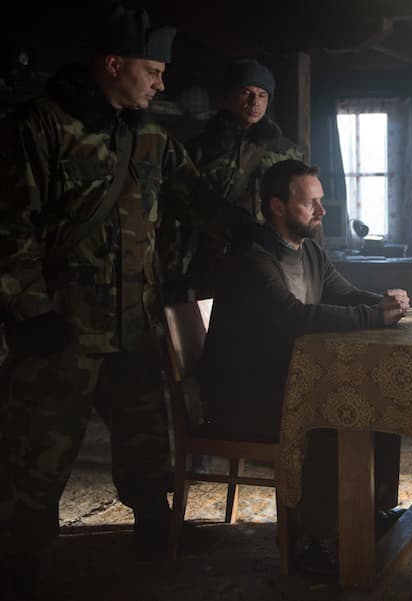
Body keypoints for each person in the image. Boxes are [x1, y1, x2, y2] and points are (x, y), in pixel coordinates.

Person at [0, 5, 215, 591]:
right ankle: (18, 559)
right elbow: (10, 228)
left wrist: (254, 228)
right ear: (115, 64)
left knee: (146, 440)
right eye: (154, 70)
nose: (162, 83)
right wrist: (30, 310)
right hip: (62, 327)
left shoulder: (149, 136)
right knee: (37, 451)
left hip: (134, 324)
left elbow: (197, 197)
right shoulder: (41, 126)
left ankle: (153, 530)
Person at [200, 158, 409, 573]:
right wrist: (374, 316)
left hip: (286, 381)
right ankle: (310, 541)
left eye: (321, 201)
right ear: (277, 206)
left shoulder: (309, 250)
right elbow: (294, 316)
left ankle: (370, 511)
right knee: (330, 414)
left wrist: (385, 302)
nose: (322, 211)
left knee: (380, 396)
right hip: (243, 396)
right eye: (310, 202)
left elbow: (344, 294)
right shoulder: (251, 258)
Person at [174, 59, 303, 299]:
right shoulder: (200, 148)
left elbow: (303, 206)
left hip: (267, 260)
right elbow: (180, 206)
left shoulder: (286, 152)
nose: (254, 102)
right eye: (246, 92)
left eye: (262, 95)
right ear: (228, 96)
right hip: (211, 261)